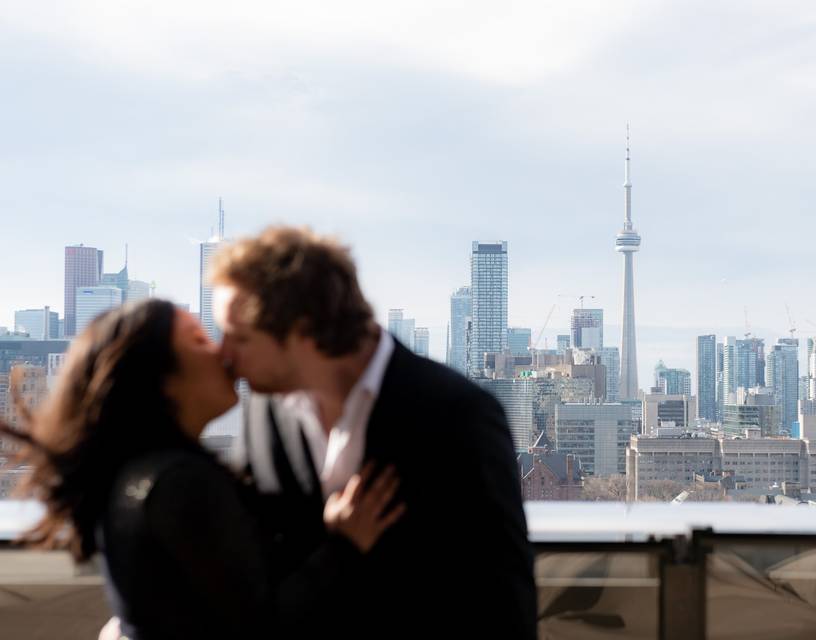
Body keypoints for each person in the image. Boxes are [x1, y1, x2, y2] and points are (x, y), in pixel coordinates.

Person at [0, 299, 403, 639]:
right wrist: (344, 546)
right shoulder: (178, 485)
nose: (223, 351)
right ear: (160, 380)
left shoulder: (141, 474)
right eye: (200, 340)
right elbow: (261, 627)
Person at [211, 226, 538, 638]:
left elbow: (503, 604)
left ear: (302, 331)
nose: (222, 354)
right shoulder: (265, 409)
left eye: (239, 337)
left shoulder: (456, 416)